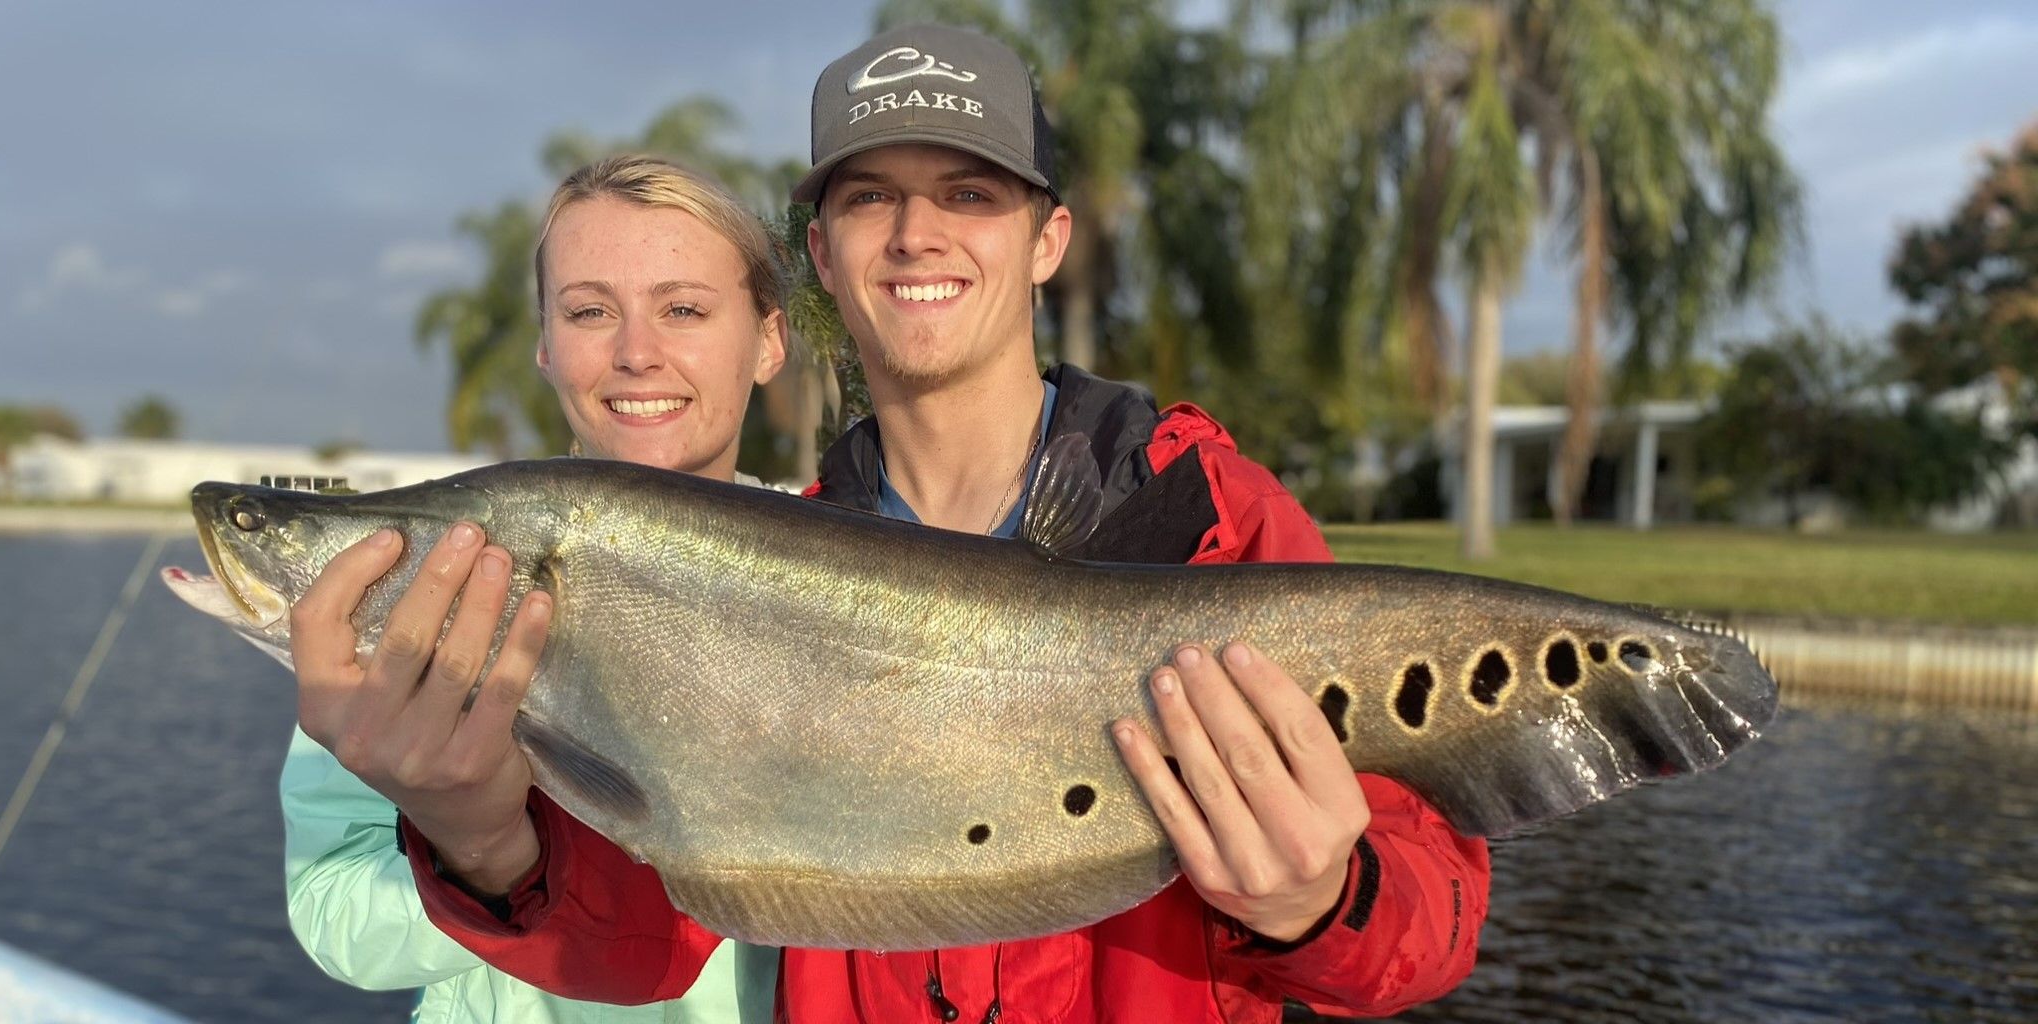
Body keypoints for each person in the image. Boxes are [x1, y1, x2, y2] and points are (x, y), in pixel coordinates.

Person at [300, 25, 1491, 1023]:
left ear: (1047, 238)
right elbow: (643, 949)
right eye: (871, 197)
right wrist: (478, 840)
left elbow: (1428, 921)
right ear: (821, 254)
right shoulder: (753, 576)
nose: (917, 234)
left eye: (968, 192)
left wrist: (1320, 900)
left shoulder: (1211, 518)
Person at [280, 153, 787, 1024]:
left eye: (684, 309)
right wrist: (480, 850)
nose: (636, 352)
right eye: (591, 311)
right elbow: (331, 910)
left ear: (770, 340)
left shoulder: (865, 584)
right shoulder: (434, 580)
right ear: (547, 347)